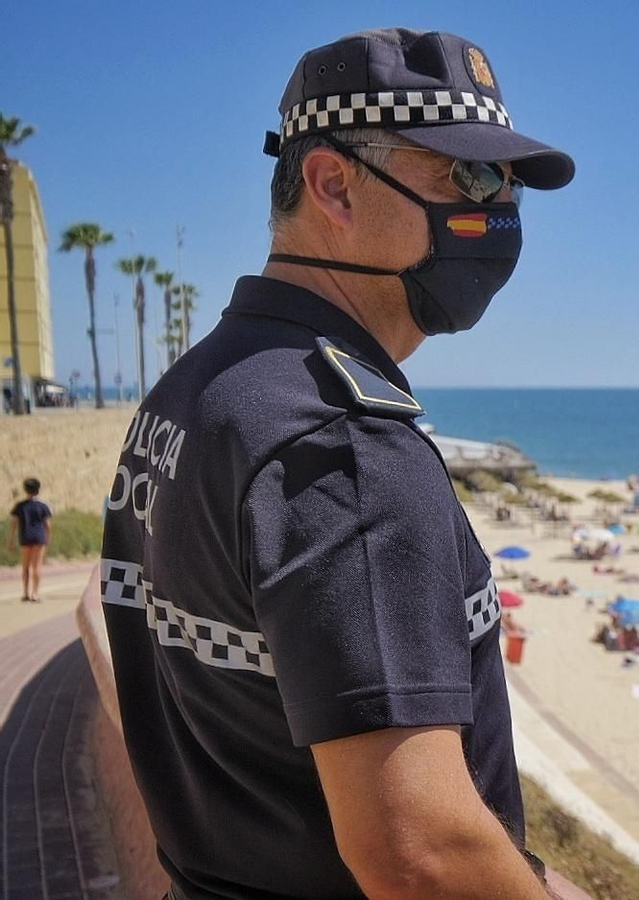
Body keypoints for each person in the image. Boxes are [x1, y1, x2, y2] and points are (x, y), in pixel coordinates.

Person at [97, 28, 573, 899]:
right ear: (331, 184)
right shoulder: (346, 450)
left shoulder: (202, 388)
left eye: (508, 183)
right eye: (468, 177)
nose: (499, 210)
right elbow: (418, 853)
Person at [9, 477, 50, 603]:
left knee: (25, 566)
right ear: (38, 490)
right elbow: (47, 525)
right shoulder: (43, 506)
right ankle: (35, 593)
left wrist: (10, 540)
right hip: (39, 538)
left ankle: (26, 593)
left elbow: (14, 524)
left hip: (25, 537)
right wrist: (48, 538)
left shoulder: (20, 506)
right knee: (37, 566)